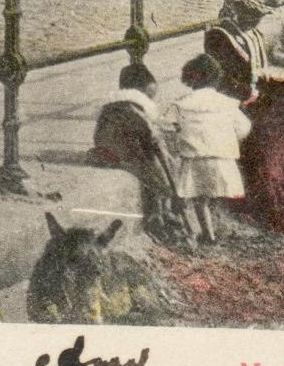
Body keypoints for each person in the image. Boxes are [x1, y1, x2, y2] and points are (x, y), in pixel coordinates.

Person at [162, 54, 252, 244]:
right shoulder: (227, 103)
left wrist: (178, 142)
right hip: (222, 158)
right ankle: (212, 229)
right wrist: (227, 138)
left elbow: (166, 127)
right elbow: (244, 127)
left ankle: (207, 233)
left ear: (191, 77)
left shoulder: (181, 103)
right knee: (213, 193)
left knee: (199, 197)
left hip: (195, 159)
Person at [90, 63, 182, 242]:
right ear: (141, 89)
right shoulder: (135, 107)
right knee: (157, 175)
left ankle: (163, 213)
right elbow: (150, 136)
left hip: (107, 150)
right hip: (126, 153)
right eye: (150, 93)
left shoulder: (111, 106)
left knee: (154, 170)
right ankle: (160, 216)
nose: (153, 97)